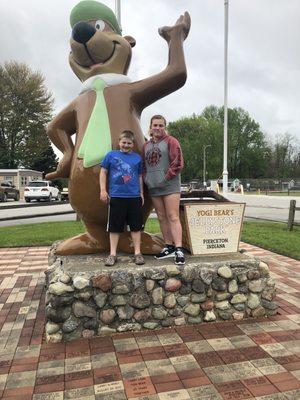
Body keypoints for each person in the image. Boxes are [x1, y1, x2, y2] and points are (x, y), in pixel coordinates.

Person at [143, 115, 185, 265]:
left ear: (165, 127)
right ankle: (168, 246)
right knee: (161, 216)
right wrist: (147, 179)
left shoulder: (171, 141)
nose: (158, 128)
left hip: (169, 186)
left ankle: (179, 248)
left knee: (173, 216)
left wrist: (166, 177)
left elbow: (178, 163)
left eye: (161, 125)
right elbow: (144, 166)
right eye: (155, 125)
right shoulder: (146, 145)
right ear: (151, 126)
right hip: (153, 187)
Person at [100, 131, 145, 266]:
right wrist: (103, 190)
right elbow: (103, 172)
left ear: (133, 144)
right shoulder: (111, 155)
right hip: (116, 196)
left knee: (136, 227)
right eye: (124, 142)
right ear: (119, 142)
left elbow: (139, 177)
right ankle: (112, 254)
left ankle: (137, 253)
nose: (126, 145)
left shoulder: (137, 158)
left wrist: (141, 193)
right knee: (115, 227)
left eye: (129, 143)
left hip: (134, 197)